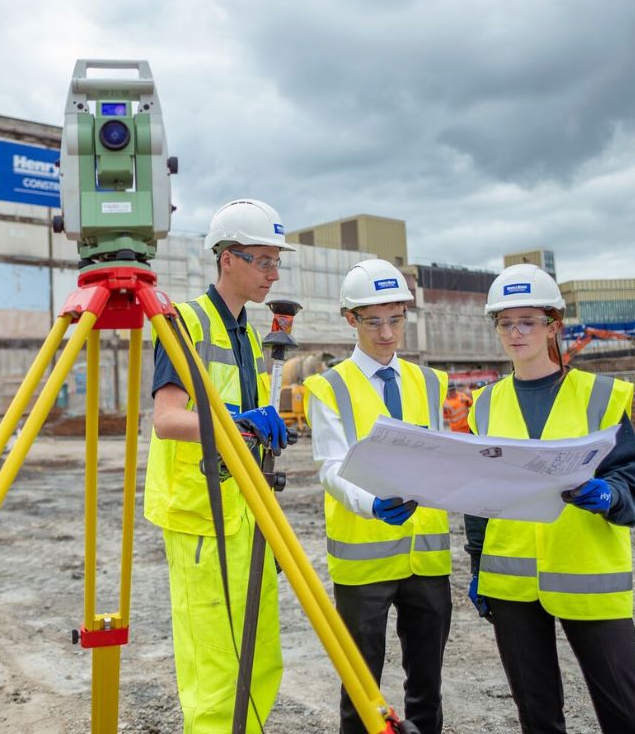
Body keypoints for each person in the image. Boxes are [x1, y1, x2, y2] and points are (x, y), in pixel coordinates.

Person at [464, 264, 635, 734]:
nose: (515, 333)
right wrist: (477, 569)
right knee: (537, 717)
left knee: (629, 717)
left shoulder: (600, 396)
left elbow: (631, 478)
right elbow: (478, 496)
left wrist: (608, 494)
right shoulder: (485, 403)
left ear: (554, 326)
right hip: (510, 582)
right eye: (505, 323)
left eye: (527, 321)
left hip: (588, 576)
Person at [143, 198, 294, 733]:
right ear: (227, 258)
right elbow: (166, 419)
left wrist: (261, 425)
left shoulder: (249, 335)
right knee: (214, 668)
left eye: (277, 262)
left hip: (248, 512)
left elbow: (243, 427)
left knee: (260, 656)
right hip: (201, 517)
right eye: (263, 260)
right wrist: (236, 419)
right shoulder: (184, 323)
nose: (272, 274)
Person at [304, 259, 451, 734]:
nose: (387, 333)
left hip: (427, 561)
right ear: (351, 319)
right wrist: (371, 505)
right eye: (374, 322)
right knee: (362, 690)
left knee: (427, 687)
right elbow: (330, 466)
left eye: (396, 319)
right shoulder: (329, 387)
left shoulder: (429, 382)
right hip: (363, 565)